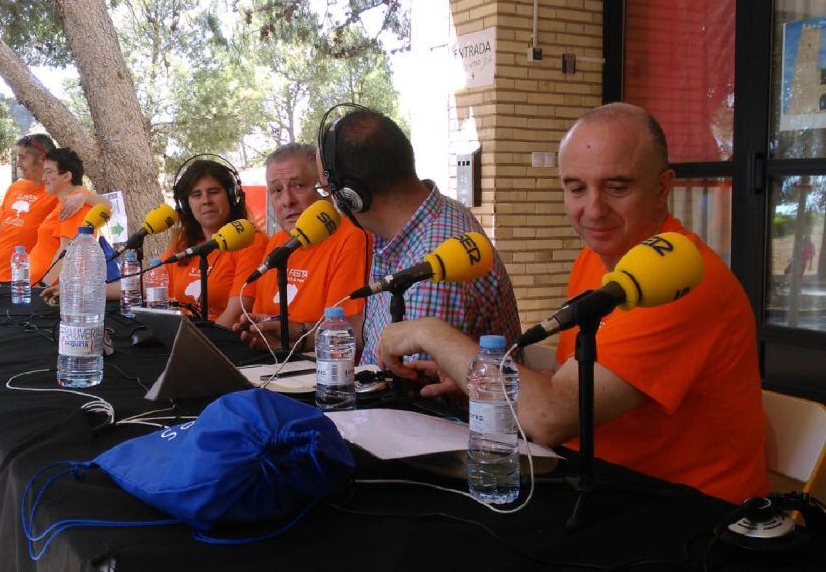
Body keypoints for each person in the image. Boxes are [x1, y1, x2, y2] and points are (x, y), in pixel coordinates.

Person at [377, 102, 768, 504]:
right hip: (600, 485)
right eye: (576, 188)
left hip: (688, 516)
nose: (594, 211)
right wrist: (471, 377)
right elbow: (570, 386)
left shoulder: (680, 279)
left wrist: (430, 331)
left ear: (663, 187)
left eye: (617, 187)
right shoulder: (597, 258)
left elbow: (550, 416)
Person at [314, 104, 520, 364]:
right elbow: (375, 331)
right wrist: (307, 332)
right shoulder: (415, 224)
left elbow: (411, 391)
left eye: (325, 190)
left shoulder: (431, 270)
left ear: (351, 197)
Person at [233, 143, 370, 350]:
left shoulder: (353, 237)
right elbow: (267, 315)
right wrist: (263, 329)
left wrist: (295, 335)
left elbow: (345, 328)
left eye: (298, 186)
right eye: (277, 190)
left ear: (325, 190)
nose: (287, 201)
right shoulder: (278, 241)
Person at [147, 156, 268, 327]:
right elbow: (150, 283)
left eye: (213, 192)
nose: (206, 201)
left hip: (222, 341)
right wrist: (98, 290)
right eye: (196, 195)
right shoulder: (184, 242)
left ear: (233, 196)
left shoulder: (251, 242)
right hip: (185, 335)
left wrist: (199, 347)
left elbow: (237, 313)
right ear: (185, 205)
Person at [0, 134, 58, 282]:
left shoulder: (58, 193)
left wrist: (82, 198)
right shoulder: (15, 187)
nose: (18, 163)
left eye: (22, 157)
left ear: (41, 158)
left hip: (23, 282)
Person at [29, 148, 96, 287]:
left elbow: (68, 252)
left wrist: (43, 285)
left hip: (51, 294)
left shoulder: (75, 203)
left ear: (66, 176)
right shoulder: (66, 202)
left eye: (49, 172)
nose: (43, 178)